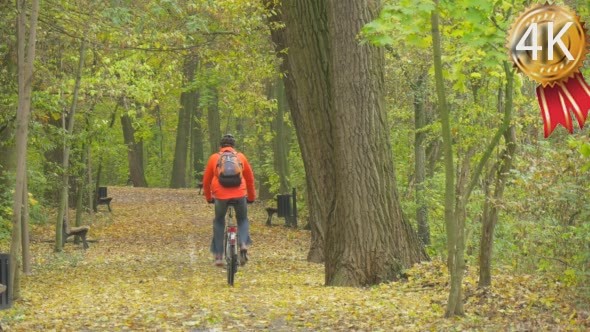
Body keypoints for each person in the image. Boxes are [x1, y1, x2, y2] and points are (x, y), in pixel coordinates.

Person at [202, 134, 256, 266]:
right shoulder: (240, 157)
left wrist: (209, 198)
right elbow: (249, 179)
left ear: (221, 146)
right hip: (239, 194)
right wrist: (251, 197)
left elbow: (206, 181)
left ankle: (219, 257)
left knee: (219, 221)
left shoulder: (214, 158)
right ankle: (243, 243)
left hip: (220, 195)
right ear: (233, 146)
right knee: (242, 219)